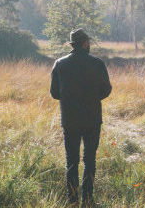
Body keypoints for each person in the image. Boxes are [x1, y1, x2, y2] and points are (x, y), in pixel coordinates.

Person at [50, 28, 112, 205]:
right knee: (90, 160)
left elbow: (54, 93)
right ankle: (88, 200)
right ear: (85, 43)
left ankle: (72, 200)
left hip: (70, 119)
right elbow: (106, 90)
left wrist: (70, 99)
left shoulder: (60, 64)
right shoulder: (97, 63)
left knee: (71, 160)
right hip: (92, 118)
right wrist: (92, 98)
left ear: (72, 44)